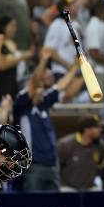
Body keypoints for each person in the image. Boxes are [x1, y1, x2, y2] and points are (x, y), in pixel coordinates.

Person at [14, 48, 79, 191]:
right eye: (38, 88)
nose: (41, 90)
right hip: (34, 166)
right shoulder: (22, 105)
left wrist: (76, 67)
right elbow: (33, 83)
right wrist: (43, 60)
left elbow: (60, 86)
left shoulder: (44, 103)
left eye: (42, 88)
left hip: (52, 165)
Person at [57, 115, 104, 192]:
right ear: (87, 129)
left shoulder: (100, 145)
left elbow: (100, 165)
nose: (100, 130)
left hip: (90, 187)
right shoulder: (65, 145)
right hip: (68, 188)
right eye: (97, 127)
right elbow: (56, 167)